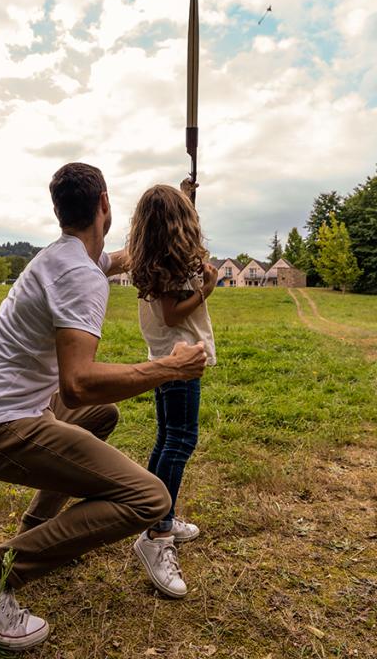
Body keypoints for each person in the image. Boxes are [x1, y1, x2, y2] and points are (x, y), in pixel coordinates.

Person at [0, 162, 207, 652]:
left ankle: (39, 532)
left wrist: (178, 206)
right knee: (148, 499)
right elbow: (78, 385)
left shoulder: (67, 256)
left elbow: (129, 256)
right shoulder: (80, 275)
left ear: (59, 210)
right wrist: (169, 368)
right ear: (104, 203)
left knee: (103, 417)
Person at [127, 182, 218, 598]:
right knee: (180, 440)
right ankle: (157, 532)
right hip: (179, 357)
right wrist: (206, 289)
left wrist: (186, 194)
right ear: (177, 225)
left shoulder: (158, 255)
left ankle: (156, 513)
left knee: (168, 438)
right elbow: (171, 314)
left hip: (166, 355)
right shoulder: (171, 263)